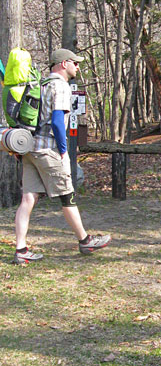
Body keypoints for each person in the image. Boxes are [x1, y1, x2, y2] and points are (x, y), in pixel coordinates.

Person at [13, 48, 111, 264]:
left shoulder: (41, 84)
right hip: (48, 149)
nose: (77, 67)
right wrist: (64, 152)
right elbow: (58, 122)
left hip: (29, 149)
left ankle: (20, 250)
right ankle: (85, 240)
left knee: (28, 199)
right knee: (68, 195)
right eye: (74, 63)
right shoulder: (61, 86)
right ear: (63, 63)